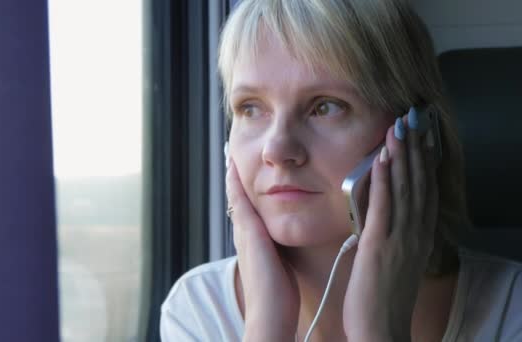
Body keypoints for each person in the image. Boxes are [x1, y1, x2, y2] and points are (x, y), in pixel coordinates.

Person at [161, 0, 522, 341]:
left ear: (418, 134)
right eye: (251, 108)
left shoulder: (512, 310)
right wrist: (265, 329)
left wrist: (379, 331)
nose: (276, 150)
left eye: (325, 107)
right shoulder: (197, 308)